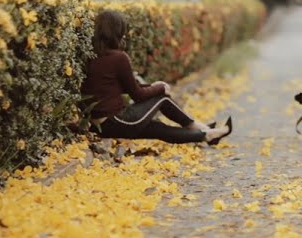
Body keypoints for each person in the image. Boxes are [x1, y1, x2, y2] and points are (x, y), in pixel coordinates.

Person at [81, 10, 232, 145]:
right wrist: (160, 87)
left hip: (99, 126)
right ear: (118, 31)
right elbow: (137, 95)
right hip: (117, 120)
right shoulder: (119, 57)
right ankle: (199, 127)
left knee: (159, 129)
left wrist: (153, 85)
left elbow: (125, 88)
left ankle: (207, 135)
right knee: (163, 98)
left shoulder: (91, 55)